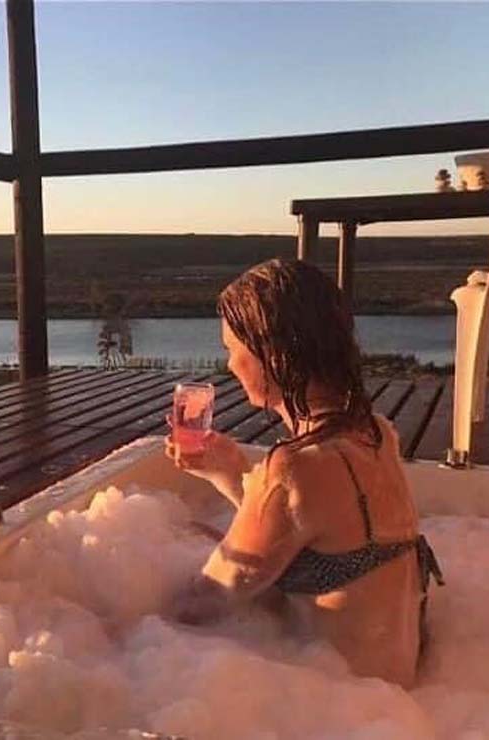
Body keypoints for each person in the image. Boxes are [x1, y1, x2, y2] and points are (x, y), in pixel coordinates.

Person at [165, 258, 442, 688]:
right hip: (394, 696)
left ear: (273, 354)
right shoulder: (376, 435)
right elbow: (305, 526)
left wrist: (121, 625)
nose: (230, 365)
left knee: (188, 538)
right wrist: (230, 472)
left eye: (232, 349)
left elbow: (207, 600)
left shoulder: (295, 468)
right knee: (200, 531)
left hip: (337, 704)